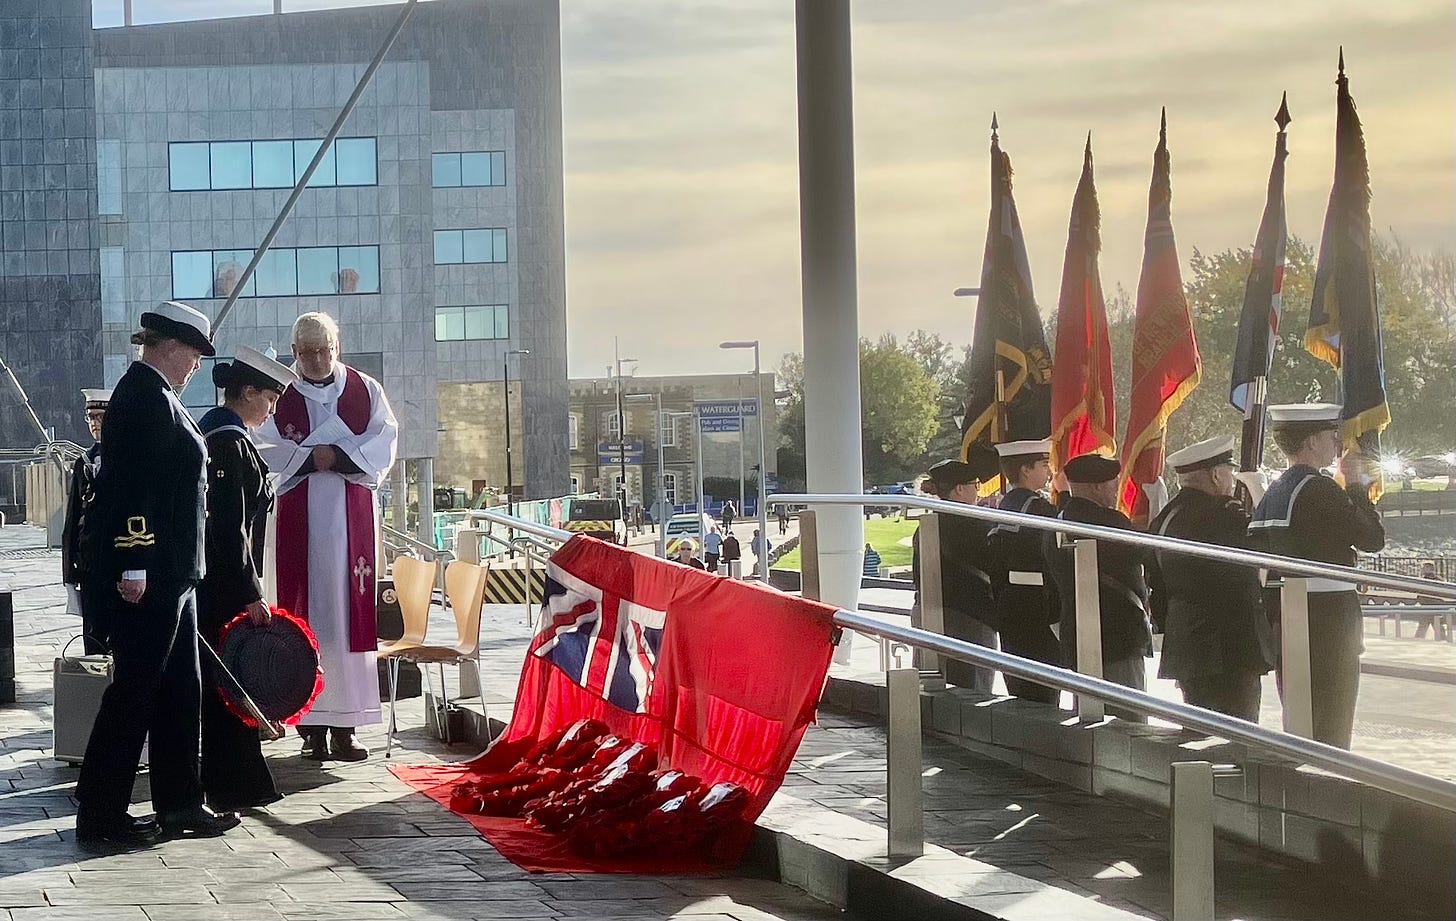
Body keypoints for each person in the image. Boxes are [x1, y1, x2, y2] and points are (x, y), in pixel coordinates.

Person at [76, 301, 240, 847]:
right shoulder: (141, 398)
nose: (196, 365)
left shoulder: (158, 395)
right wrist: (133, 563)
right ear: (168, 347)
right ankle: (100, 812)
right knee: (136, 692)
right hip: (148, 573)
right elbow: (132, 490)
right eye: (194, 354)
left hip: (174, 574)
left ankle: (180, 805)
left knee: (178, 690)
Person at [258, 313, 399, 762]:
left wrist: (337, 454)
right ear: (294, 352)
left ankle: (348, 726)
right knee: (303, 619)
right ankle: (310, 726)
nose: (317, 359)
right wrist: (308, 456)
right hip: (296, 524)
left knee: (346, 619)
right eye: (307, 351)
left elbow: (385, 440)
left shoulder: (365, 390)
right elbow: (262, 444)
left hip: (349, 526)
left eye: (324, 350)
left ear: (337, 347)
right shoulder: (279, 396)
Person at [1249, 404, 1385, 749]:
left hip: (1287, 615)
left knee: (1300, 719)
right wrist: (1355, 486)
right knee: (1331, 723)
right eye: (1330, 435)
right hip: (1327, 621)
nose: (1336, 443)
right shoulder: (1318, 488)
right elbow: (1371, 538)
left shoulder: (1277, 490)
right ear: (1311, 442)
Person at [198, 348, 298, 813]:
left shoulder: (225, 437)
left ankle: (237, 780)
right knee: (230, 682)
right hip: (222, 586)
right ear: (250, 392)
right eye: (270, 400)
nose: (271, 411)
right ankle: (232, 783)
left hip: (221, 581)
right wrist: (251, 592)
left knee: (229, 683)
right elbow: (229, 527)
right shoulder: (227, 441)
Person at [1148, 436, 1275, 721]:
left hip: (1186, 640)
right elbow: (1264, 552)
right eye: (1228, 472)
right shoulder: (1223, 513)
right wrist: (1260, 496)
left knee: (1198, 733)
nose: (1231, 480)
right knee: (1238, 736)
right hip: (1229, 645)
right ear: (1216, 475)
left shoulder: (1166, 517)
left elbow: (1157, 583)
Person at [1042, 453, 1153, 718]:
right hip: (1118, 638)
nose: (1116, 489)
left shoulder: (1055, 522)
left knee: (1088, 716)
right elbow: (1147, 554)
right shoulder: (1111, 523)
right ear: (1096, 488)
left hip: (1077, 637)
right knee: (1129, 720)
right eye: (1113, 483)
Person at [913, 457, 1001, 693]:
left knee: (930, 688)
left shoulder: (927, 524)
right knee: (974, 690)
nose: (977, 490)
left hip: (928, 612)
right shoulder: (975, 525)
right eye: (975, 484)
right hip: (970, 618)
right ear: (960, 489)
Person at [986, 440, 1062, 705]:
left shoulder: (1006, 504)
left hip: (1008, 605)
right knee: (1042, 689)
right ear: (1026, 470)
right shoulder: (1037, 508)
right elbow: (1054, 555)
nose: (1049, 471)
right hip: (1036, 607)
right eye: (1043, 465)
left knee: (1020, 689)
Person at [62, 388, 112, 654]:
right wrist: (69, 574)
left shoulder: (127, 459)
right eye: (90, 417)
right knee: (92, 641)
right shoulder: (84, 462)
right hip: (90, 566)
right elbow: (73, 518)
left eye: (101, 417)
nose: (95, 424)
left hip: (118, 565)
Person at [1414, 562, 1448, 641]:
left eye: (1425, 568)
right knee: (1428, 627)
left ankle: (1419, 641)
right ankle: (1443, 641)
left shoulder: (1433, 580)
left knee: (1426, 627)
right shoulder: (1436, 580)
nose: (1423, 569)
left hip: (1431, 607)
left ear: (1430, 569)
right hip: (1431, 607)